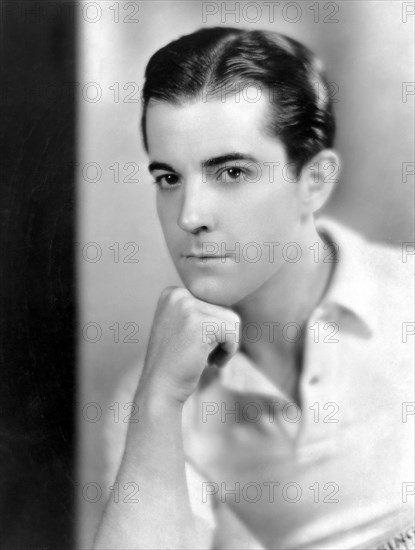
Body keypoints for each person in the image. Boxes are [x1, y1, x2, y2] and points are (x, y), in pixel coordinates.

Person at [93, 27, 414, 550]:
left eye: (232, 172)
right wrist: (158, 404)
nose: (190, 215)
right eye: (169, 178)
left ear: (315, 181)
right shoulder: (151, 398)